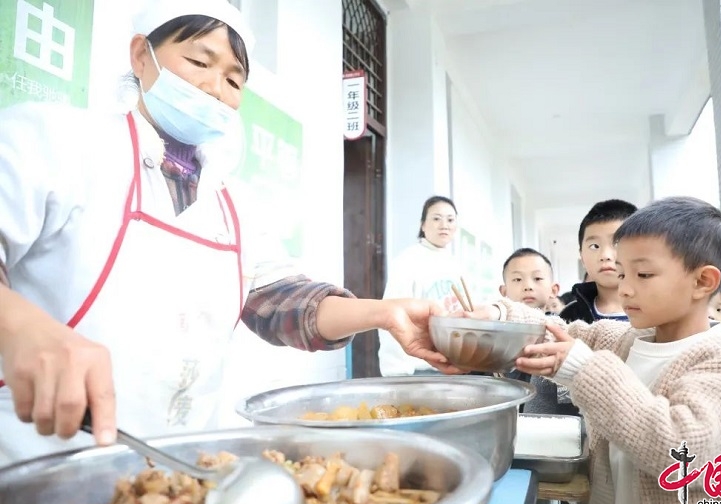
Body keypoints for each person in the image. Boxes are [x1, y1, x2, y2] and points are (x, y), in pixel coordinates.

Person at [0, 0, 459, 467]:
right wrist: (20, 326)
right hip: (32, 469)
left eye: (234, 79)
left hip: (172, 476)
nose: (215, 88)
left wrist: (384, 313)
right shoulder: (57, 140)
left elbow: (284, 302)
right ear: (141, 56)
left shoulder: (231, 204)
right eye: (199, 62)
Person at [482, 196, 721, 504]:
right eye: (622, 273)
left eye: (643, 274)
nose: (626, 288)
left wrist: (584, 369)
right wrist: (498, 314)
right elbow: (564, 331)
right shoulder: (631, 340)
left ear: (703, 281)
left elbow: (680, 447)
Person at [378, 196, 463, 376]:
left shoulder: (455, 264)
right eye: (436, 218)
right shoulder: (408, 261)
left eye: (450, 219)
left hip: (450, 365)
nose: (444, 225)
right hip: (417, 369)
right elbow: (392, 314)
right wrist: (398, 372)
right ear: (423, 225)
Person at [560, 199, 637, 324]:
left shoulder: (659, 312)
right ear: (582, 257)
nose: (605, 255)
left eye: (617, 243)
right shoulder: (570, 315)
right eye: (594, 246)